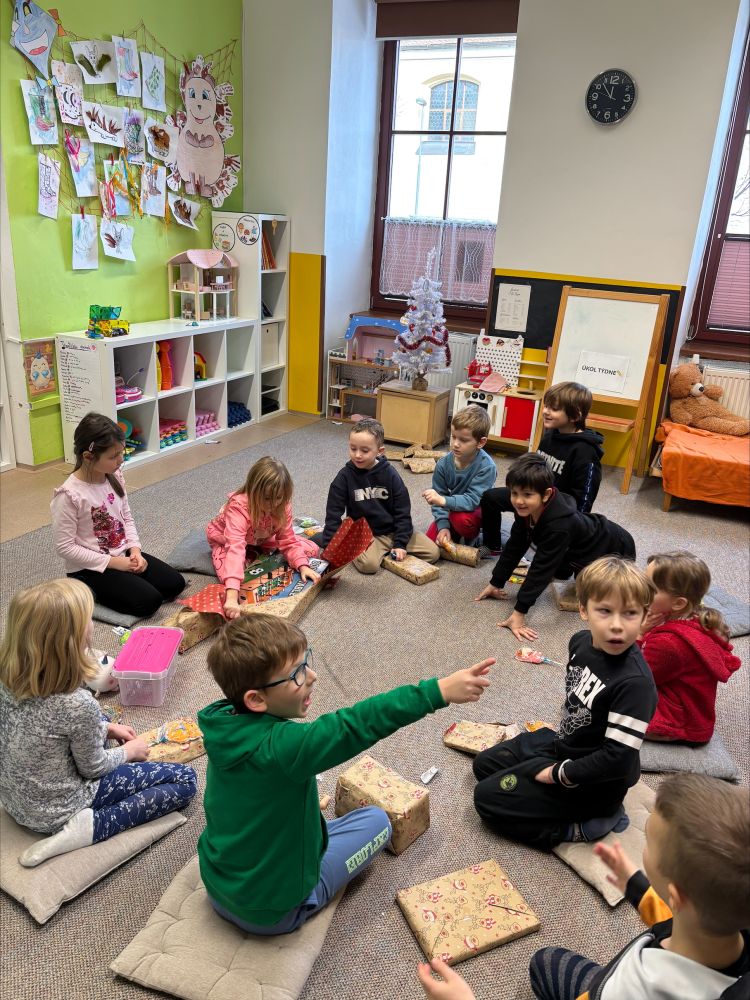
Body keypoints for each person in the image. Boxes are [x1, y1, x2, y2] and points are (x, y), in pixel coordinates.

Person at [197, 613, 494, 934]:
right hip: (273, 912)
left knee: (315, 819)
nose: (312, 676)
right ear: (255, 699)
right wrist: (438, 691)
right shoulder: (283, 748)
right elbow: (356, 724)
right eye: (297, 673)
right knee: (378, 822)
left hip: (218, 883)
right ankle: (303, 903)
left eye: (306, 662)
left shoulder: (223, 724)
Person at [417, 774, 750, 1000]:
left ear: (676, 896)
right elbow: (674, 921)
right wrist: (635, 885)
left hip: (608, 989)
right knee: (547, 961)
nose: (643, 845)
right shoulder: (722, 931)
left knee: (542, 964)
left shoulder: (635, 990)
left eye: (649, 842)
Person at [0, 579, 197, 867]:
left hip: (16, 803)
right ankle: (89, 828)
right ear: (72, 639)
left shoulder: (6, 679)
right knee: (185, 780)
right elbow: (94, 769)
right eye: (88, 620)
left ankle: (82, 809)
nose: (92, 625)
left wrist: (105, 727)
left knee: (101, 719)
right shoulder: (77, 704)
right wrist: (128, 752)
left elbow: (44, 728)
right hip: (60, 808)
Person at [472, 557, 657, 850]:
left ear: (644, 617)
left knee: (486, 799)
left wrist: (558, 774)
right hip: (564, 743)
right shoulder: (580, 642)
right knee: (484, 765)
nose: (617, 626)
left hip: (595, 783)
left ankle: (584, 826)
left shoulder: (636, 685)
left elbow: (618, 759)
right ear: (583, 610)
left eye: (630, 614)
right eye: (605, 611)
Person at [475, 453, 636, 641]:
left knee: (601, 599)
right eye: (514, 493)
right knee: (560, 569)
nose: (518, 501)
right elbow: (515, 545)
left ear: (546, 494)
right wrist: (496, 582)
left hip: (615, 550)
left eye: (527, 494)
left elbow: (542, 568)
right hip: (579, 544)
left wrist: (519, 613)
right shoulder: (526, 509)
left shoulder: (559, 526)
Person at [51, 412, 186, 618]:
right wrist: (114, 563)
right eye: (113, 456)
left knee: (175, 584)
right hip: (89, 569)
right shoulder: (69, 495)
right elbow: (65, 548)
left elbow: (126, 518)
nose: (120, 460)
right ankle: (90, 591)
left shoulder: (114, 476)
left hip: (122, 553)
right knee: (150, 602)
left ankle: (126, 581)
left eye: (121, 452)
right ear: (88, 457)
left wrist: (135, 550)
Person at [480, 382, 603, 557]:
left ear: (575, 415)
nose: (545, 411)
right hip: (533, 496)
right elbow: (532, 469)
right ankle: (492, 545)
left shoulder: (586, 452)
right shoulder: (550, 434)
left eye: (554, 409)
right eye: (546, 406)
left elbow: (583, 502)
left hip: (558, 510)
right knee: (490, 498)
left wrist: (565, 533)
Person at [639, 551, 740, 744]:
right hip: (690, 711)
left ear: (678, 603)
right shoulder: (695, 619)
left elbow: (635, 675)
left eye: (649, 588)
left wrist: (639, 634)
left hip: (675, 722)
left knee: (604, 700)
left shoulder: (669, 643)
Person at [318, 418, 439, 574]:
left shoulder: (390, 474)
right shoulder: (344, 477)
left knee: (433, 553)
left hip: (393, 530)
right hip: (366, 535)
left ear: (380, 451)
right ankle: (374, 550)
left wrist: (401, 543)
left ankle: (388, 551)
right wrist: (330, 546)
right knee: (368, 566)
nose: (357, 455)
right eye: (353, 448)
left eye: (365, 451)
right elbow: (333, 514)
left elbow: (403, 511)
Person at [206, 456, 320, 620]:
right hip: (227, 540)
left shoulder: (283, 505)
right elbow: (235, 548)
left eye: (278, 498)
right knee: (232, 576)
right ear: (253, 491)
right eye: (266, 498)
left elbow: (288, 540)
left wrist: (303, 566)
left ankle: (255, 557)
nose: (273, 504)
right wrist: (231, 598)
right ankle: (249, 561)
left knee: (311, 550)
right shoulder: (238, 508)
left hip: (260, 538)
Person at [422, 405, 496, 547]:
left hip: (475, 511)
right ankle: (452, 530)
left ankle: (473, 537)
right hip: (452, 509)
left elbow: (472, 500)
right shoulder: (443, 464)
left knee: (461, 519)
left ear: (481, 442)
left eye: (464, 440)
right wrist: (443, 526)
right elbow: (439, 497)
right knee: (430, 544)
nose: (455, 444)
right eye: (454, 437)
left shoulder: (487, 467)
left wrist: (443, 500)